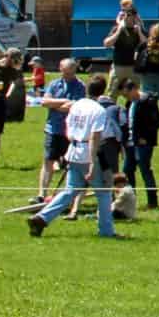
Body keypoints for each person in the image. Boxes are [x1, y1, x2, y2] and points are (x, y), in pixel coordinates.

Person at [29, 74, 121, 239]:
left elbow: (68, 131)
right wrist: (92, 163)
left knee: (70, 190)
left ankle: (42, 218)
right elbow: (95, 136)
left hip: (74, 150)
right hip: (89, 153)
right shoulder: (98, 110)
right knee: (104, 192)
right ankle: (106, 231)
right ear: (102, 92)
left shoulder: (76, 105)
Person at [35, 58, 85, 200]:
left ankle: (67, 195)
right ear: (60, 69)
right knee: (48, 161)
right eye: (65, 72)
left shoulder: (80, 86)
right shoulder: (54, 84)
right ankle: (42, 193)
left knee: (71, 165)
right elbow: (44, 102)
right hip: (53, 129)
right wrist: (63, 102)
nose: (67, 76)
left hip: (70, 131)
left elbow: (74, 105)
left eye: (70, 73)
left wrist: (55, 104)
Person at [118, 75, 159, 209]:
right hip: (130, 142)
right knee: (127, 170)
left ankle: (152, 201)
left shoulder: (148, 101)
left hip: (143, 143)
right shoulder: (130, 103)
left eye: (127, 94)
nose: (126, 98)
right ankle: (132, 199)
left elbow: (156, 122)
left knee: (145, 169)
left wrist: (145, 137)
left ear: (134, 89)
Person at [103, 0, 144, 91]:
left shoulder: (137, 28)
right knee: (112, 92)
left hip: (133, 67)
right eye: (126, 13)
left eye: (131, 14)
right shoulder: (117, 26)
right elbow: (106, 44)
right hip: (118, 66)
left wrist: (140, 31)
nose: (127, 16)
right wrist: (119, 29)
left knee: (135, 94)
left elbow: (146, 44)